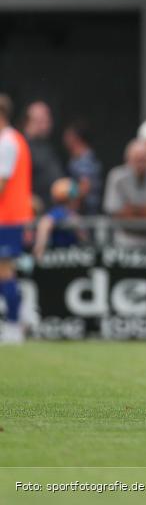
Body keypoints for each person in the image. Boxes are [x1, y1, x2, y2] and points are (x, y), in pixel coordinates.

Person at [0, 95, 32, 344]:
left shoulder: (7, 142)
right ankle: (17, 318)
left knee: (5, 271)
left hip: (7, 217)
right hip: (9, 216)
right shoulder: (12, 140)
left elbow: (1, 183)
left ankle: (13, 325)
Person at [103, 140, 146, 246]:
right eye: (137, 160)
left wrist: (133, 208)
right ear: (128, 159)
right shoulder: (117, 177)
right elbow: (115, 212)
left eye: (144, 160)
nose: (140, 165)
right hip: (125, 239)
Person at [21, 101, 64, 213]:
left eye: (47, 120)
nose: (46, 124)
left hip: (54, 212)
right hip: (30, 216)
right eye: (41, 121)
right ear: (28, 122)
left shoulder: (49, 146)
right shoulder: (21, 146)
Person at [33, 178, 84, 261]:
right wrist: (39, 247)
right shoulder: (59, 212)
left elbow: (83, 236)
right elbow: (45, 223)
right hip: (59, 256)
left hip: (73, 255)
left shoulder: (72, 214)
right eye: (75, 198)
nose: (77, 201)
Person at [62, 120, 103, 215]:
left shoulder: (84, 160)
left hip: (86, 214)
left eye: (67, 136)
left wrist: (69, 199)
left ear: (75, 138)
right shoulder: (77, 159)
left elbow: (85, 186)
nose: (64, 139)